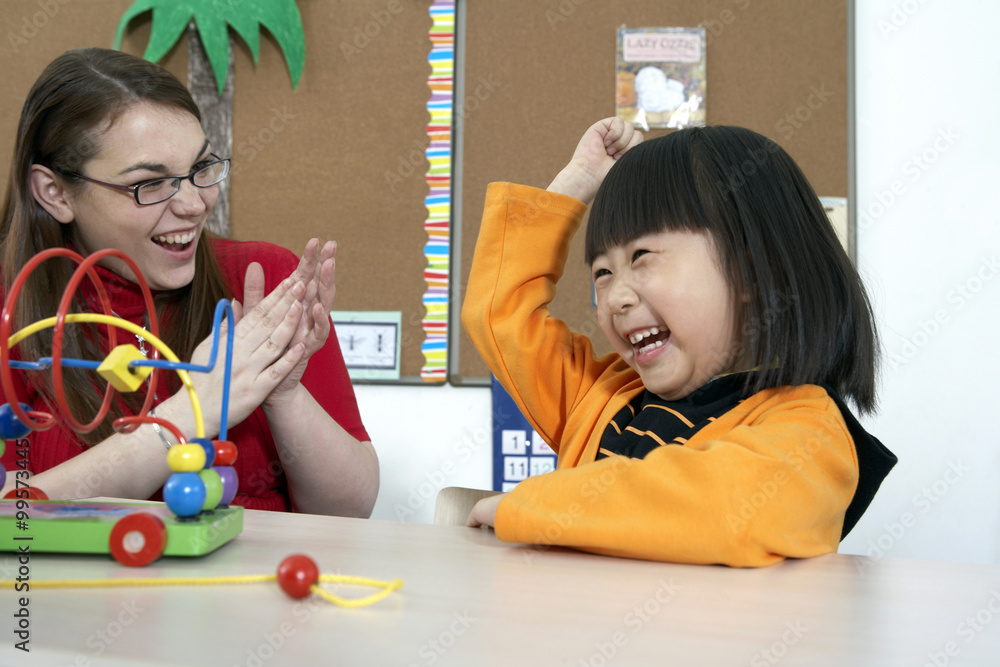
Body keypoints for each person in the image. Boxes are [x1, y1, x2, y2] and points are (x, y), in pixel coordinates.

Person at [461, 117, 897, 566]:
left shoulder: (809, 430)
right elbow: (499, 312)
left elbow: (724, 510)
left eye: (642, 257)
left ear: (750, 269)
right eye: (602, 273)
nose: (617, 298)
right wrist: (577, 182)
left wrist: (531, 506)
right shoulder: (599, 398)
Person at [0, 47, 378, 517]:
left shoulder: (263, 282)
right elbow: (12, 517)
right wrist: (196, 409)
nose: (196, 204)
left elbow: (351, 512)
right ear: (55, 193)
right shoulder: (13, 312)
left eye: (201, 169)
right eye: (151, 184)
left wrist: (281, 391)